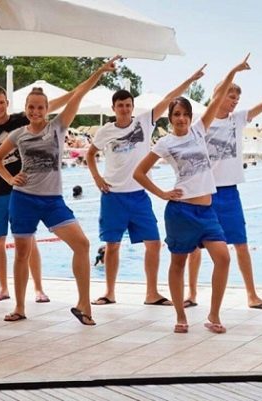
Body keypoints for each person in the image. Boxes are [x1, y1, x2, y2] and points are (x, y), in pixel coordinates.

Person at [0, 56, 119, 325]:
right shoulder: (18, 134)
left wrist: (100, 71)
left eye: (40, 107)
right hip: (23, 200)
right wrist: (10, 179)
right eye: (31, 107)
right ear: (26, 108)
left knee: (82, 244)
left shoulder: (58, 127)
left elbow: (79, 93)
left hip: (52, 202)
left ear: (47, 109)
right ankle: (19, 307)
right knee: (22, 253)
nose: (35, 111)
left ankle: (84, 304)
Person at [133, 55, 251, 334]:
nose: (182, 119)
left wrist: (233, 70)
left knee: (223, 257)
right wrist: (162, 193)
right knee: (178, 263)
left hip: (207, 211)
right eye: (176, 115)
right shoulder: (165, 143)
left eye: (185, 114)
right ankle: (180, 316)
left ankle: (214, 314)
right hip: (181, 211)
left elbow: (217, 98)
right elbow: (139, 173)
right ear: (170, 118)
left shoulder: (199, 130)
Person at [85, 65, 205, 306]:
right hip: (113, 196)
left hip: (139, 196)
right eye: (120, 105)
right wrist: (97, 178)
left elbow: (169, 98)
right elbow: (90, 154)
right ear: (114, 108)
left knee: (153, 244)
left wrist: (190, 80)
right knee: (112, 245)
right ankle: (109, 292)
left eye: (128, 105)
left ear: (133, 107)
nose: (125, 109)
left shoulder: (144, 122)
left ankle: (151, 293)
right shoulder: (106, 131)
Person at [187, 56, 262, 311]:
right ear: (218, 96)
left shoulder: (237, 119)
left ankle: (252, 295)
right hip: (204, 191)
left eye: (237, 98)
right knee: (195, 246)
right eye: (231, 96)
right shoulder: (202, 122)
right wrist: (234, 70)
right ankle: (191, 293)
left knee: (241, 244)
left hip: (229, 192)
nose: (235, 101)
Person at [0, 84, 77, 302]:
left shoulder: (21, 120)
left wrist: (76, 93)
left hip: (24, 190)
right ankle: (2, 287)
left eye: (1, 102)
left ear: (7, 103)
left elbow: (50, 106)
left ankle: (38, 288)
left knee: (28, 240)